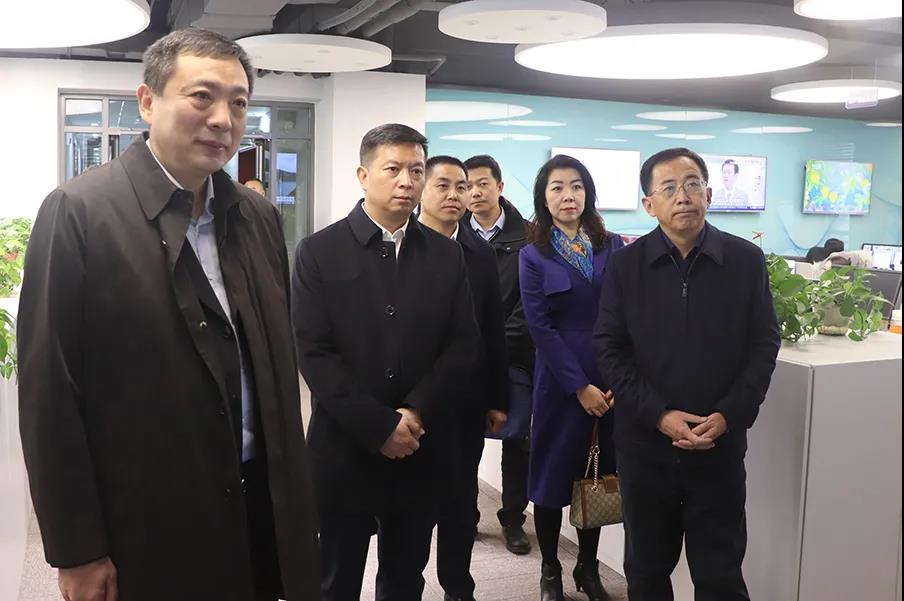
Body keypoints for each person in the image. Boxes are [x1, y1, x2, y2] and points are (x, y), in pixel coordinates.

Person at [17, 28, 320, 601]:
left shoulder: (254, 216)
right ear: (148, 101)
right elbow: (49, 392)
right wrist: (76, 548)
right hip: (150, 516)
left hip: (262, 501)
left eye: (238, 103)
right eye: (201, 96)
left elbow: (276, 370)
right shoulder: (80, 213)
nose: (223, 119)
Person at [292, 124, 480, 601]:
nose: (406, 181)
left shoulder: (446, 255)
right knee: (335, 576)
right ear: (363, 175)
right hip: (345, 444)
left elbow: (462, 345)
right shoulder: (319, 251)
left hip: (420, 444)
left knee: (404, 577)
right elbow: (314, 352)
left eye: (416, 171)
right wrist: (379, 426)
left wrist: (414, 412)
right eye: (393, 169)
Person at [593, 147, 781, 601]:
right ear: (649, 204)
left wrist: (729, 414)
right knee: (646, 574)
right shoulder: (625, 265)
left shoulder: (744, 261)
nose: (683, 196)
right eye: (669, 187)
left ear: (709, 195)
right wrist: (659, 415)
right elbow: (610, 349)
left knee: (720, 576)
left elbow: (763, 344)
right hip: (645, 448)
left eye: (693, 184)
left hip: (718, 448)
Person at [519, 154, 624, 601]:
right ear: (544, 198)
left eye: (577, 186)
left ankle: (587, 568)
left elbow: (627, 313)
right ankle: (550, 571)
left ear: (588, 193)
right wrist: (579, 386)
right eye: (557, 187)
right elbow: (539, 327)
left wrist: (619, 374)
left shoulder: (613, 246)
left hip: (610, 381)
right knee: (550, 481)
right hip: (560, 385)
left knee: (594, 477)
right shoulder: (533, 255)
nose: (568, 195)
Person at [418, 155, 509, 601]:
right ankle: (405, 583)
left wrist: (497, 398)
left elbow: (493, 330)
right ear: (422, 189)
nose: (457, 195)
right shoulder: (400, 247)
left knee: (459, 504)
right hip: (411, 402)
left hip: (465, 401)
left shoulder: (479, 253)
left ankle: (458, 587)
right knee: (412, 509)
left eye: (463, 186)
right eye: (444, 185)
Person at [464, 154, 535, 556]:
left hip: (515, 356)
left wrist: (493, 342)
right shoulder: (453, 234)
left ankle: (513, 519)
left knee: (517, 441)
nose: (474, 192)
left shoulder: (529, 237)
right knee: (465, 440)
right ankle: (467, 515)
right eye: (467, 185)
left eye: (483, 184)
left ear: (500, 187)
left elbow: (530, 304)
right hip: (466, 359)